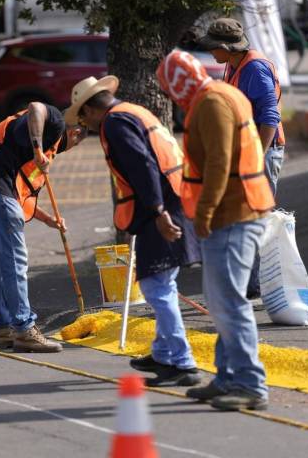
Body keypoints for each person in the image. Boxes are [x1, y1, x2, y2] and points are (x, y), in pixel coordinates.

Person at [65, 76, 201, 387]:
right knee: (162, 282)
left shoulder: (115, 123)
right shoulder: (133, 111)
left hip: (162, 208)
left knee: (156, 287)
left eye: (82, 116)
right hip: (175, 200)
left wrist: (157, 212)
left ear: (90, 108)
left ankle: (182, 361)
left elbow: (143, 167)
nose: (84, 123)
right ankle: (164, 353)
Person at [157, 49, 275, 410]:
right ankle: (227, 377)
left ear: (180, 83)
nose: (171, 98)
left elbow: (220, 163)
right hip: (237, 211)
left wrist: (204, 215)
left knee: (230, 303)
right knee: (224, 303)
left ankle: (250, 384)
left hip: (232, 214)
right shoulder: (218, 95)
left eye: (169, 89)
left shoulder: (211, 103)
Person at [0, 102, 86, 353]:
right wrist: (39, 149)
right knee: (14, 263)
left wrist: (47, 218)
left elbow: (17, 198)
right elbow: (36, 108)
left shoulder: (27, 144)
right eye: (75, 144)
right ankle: (23, 329)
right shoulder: (55, 123)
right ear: (74, 133)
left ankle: (1, 330)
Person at [199, 17, 286, 300]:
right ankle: (249, 287)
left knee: (255, 220)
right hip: (248, 153)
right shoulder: (234, 65)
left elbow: (270, 116)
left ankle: (259, 288)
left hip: (263, 152)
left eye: (214, 48)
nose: (211, 53)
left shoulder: (255, 68)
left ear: (226, 47)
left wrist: (256, 159)